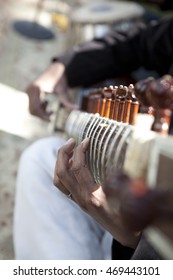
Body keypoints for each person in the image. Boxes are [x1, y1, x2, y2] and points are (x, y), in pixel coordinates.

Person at [14, 13, 173, 259]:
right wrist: (63, 68)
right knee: (40, 157)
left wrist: (134, 240)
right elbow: (140, 40)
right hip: (131, 195)